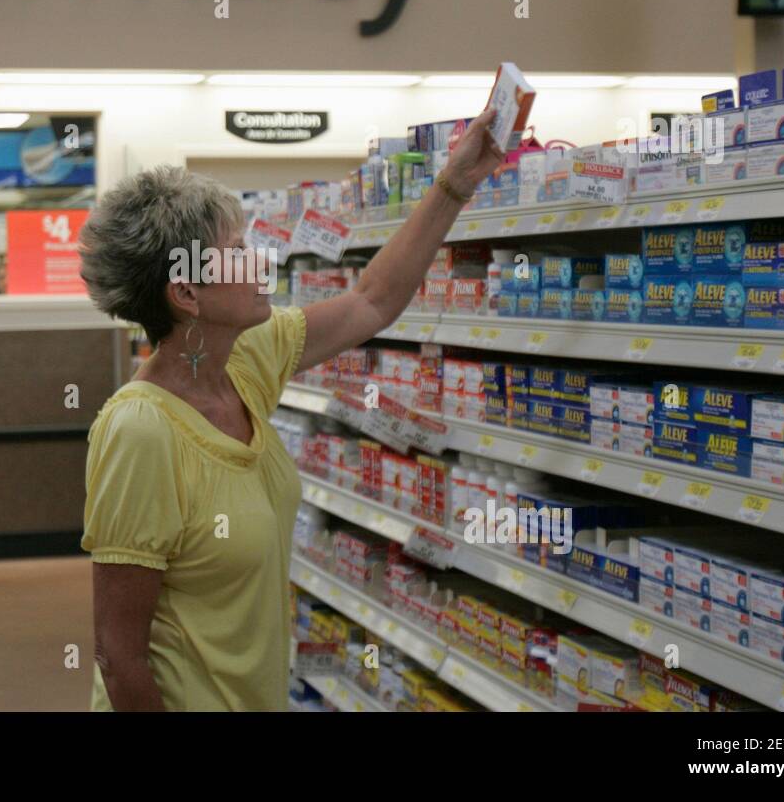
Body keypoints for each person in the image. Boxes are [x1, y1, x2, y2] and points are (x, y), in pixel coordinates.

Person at [77, 105, 505, 711]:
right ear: (187, 292)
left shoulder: (243, 359)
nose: (261, 263)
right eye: (235, 251)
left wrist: (453, 185)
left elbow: (370, 300)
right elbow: (118, 655)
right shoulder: (141, 431)